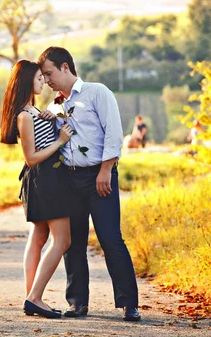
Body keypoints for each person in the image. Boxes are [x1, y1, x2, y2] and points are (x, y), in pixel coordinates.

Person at [37, 47, 141, 321]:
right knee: (73, 243)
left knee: (110, 238)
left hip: (100, 177)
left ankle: (129, 304)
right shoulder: (55, 105)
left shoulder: (98, 92)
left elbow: (114, 133)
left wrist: (106, 169)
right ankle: (77, 303)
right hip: (68, 180)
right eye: (44, 76)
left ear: (65, 68)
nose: (47, 80)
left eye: (49, 74)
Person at [0, 59, 74, 319]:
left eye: (44, 78)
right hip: (45, 178)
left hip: (45, 178)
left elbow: (44, 138)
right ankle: (34, 297)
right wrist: (61, 141)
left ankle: (31, 297)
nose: (44, 82)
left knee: (39, 238)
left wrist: (52, 118)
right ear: (26, 82)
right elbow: (31, 157)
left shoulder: (33, 111)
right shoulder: (23, 116)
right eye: (39, 79)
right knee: (63, 239)